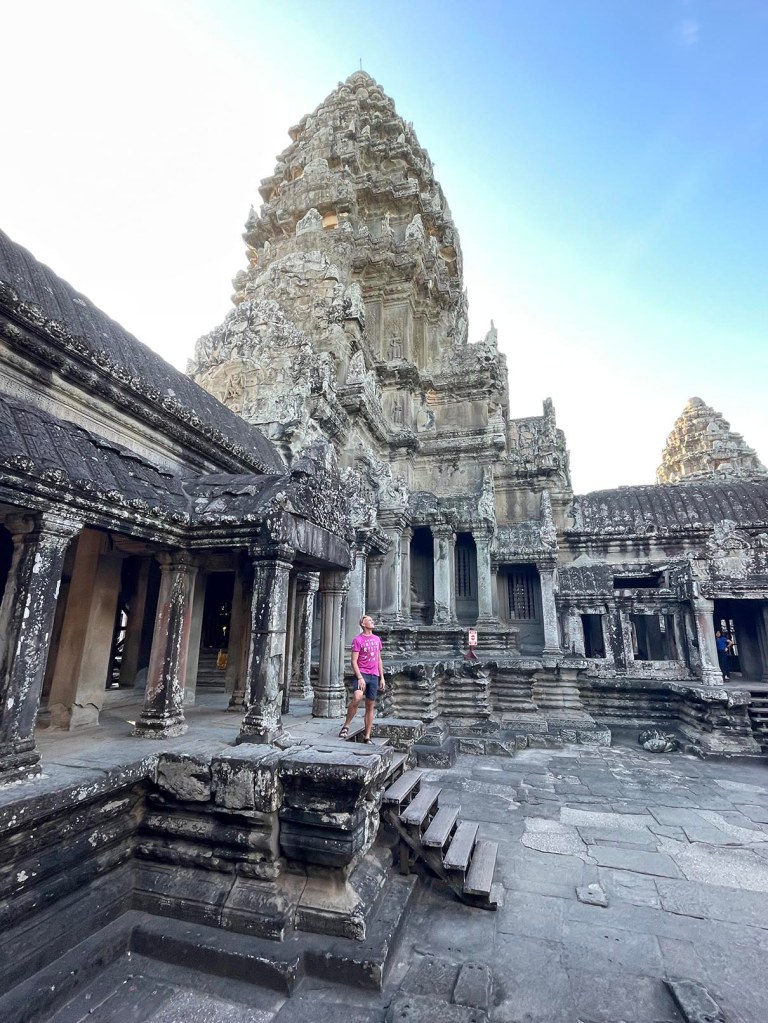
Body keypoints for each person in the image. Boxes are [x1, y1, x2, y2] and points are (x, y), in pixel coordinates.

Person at [338, 614, 385, 743]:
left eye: (372, 620)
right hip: (362, 673)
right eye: (369, 620)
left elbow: (379, 659)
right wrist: (359, 677)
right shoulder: (358, 640)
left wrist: (382, 678)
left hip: (374, 675)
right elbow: (354, 661)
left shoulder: (377, 639)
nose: (372, 621)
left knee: (370, 705)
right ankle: (346, 725)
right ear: (363, 624)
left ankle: (367, 736)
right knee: (357, 697)